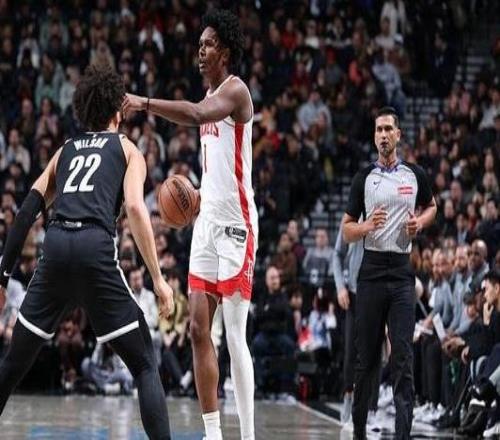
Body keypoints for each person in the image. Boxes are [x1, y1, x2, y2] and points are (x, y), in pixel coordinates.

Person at [0, 65, 174, 440]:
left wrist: (2, 277)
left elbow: (27, 211)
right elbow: (135, 207)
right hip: (94, 246)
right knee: (145, 364)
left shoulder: (65, 150)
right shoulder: (127, 149)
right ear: (117, 112)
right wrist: (158, 279)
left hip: (56, 245)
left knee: (12, 365)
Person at [123, 10, 257, 440]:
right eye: (199, 44)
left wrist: (144, 102)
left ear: (226, 52)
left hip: (237, 224)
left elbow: (199, 115)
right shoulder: (210, 91)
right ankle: (212, 434)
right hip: (208, 220)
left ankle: (248, 435)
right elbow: (218, 163)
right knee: (199, 328)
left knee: (234, 335)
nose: (201, 50)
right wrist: (198, 196)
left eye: (209, 44)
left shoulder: (235, 91)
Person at [342, 106, 437, 439]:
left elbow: (432, 207)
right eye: (378, 130)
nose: (383, 135)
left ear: (398, 135)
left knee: (402, 359)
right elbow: (346, 230)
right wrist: (366, 226)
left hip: (401, 273)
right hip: (370, 272)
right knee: (366, 360)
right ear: (374, 137)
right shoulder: (363, 178)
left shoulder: (414, 175)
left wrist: (419, 223)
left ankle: (402, 435)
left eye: (388, 129)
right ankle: (358, 432)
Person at [332, 227, 381, 425]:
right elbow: (337, 254)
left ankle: (372, 407)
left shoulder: (385, 215)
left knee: (374, 352)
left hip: (378, 292)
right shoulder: (351, 217)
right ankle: (348, 396)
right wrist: (340, 287)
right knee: (351, 352)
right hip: (354, 293)